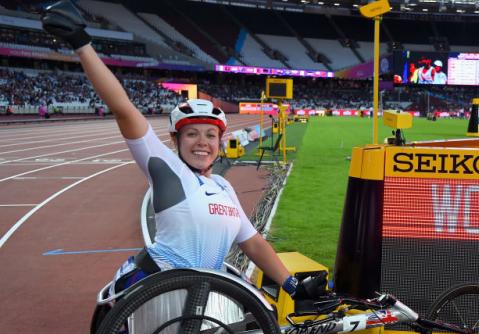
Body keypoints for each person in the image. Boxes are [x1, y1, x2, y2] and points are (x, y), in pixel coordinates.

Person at [41, 1, 324, 307]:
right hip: (162, 295)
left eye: (210, 135)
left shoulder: (224, 187)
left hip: (206, 298)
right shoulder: (166, 167)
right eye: (192, 134)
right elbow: (124, 109)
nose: (201, 142)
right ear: (175, 139)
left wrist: (293, 285)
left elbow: (253, 243)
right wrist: (83, 46)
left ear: (220, 141)